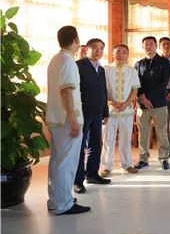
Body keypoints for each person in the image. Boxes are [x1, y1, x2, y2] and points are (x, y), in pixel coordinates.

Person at [47, 26, 91, 215]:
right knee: (67, 163)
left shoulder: (56, 59)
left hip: (56, 118)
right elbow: (66, 91)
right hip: (66, 120)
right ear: (75, 39)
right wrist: (72, 118)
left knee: (57, 161)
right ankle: (63, 204)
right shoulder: (67, 61)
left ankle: (55, 200)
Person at [74, 38, 111, 193]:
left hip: (97, 113)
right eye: (95, 47)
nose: (98, 51)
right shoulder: (78, 66)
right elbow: (73, 91)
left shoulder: (101, 69)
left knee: (95, 145)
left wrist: (105, 112)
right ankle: (77, 181)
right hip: (82, 113)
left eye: (101, 48)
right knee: (80, 147)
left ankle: (92, 175)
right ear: (86, 49)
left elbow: (103, 91)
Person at [99, 44, 140, 177]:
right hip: (109, 112)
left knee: (125, 139)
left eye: (124, 52)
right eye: (118, 52)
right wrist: (111, 102)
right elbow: (102, 89)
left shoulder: (132, 70)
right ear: (113, 54)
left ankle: (127, 165)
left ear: (128, 55)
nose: (121, 55)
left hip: (127, 111)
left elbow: (135, 89)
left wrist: (126, 103)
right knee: (108, 139)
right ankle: (106, 167)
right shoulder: (105, 69)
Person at [134, 36, 170, 170]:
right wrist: (141, 96)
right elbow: (136, 83)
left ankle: (164, 158)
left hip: (159, 104)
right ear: (142, 46)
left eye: (151, 44)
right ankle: (143, 159)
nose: (148, 46)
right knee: (143, 133)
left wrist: (148, 97)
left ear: (156, 46)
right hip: (142, 105)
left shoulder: (164, 62)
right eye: (146, 44)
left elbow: (163, 83)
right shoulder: (138, 64)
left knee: (162, 132)